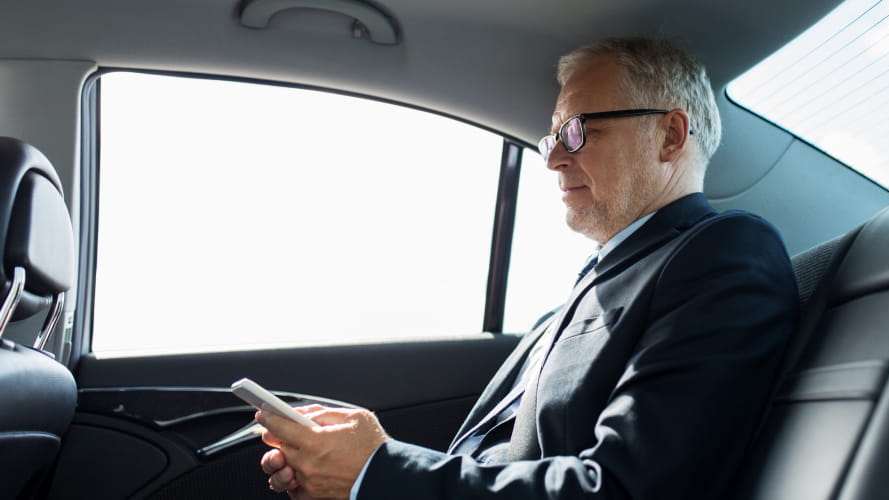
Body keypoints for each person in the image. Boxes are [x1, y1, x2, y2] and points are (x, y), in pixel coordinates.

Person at [257, 36, 798, 500]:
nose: (554, 158)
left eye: (579, 130)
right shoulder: (575, 298)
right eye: (553, 137)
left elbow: (627, 487)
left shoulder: (725, 252)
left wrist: (378, 473)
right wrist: (350, 473)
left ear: (670, 135)